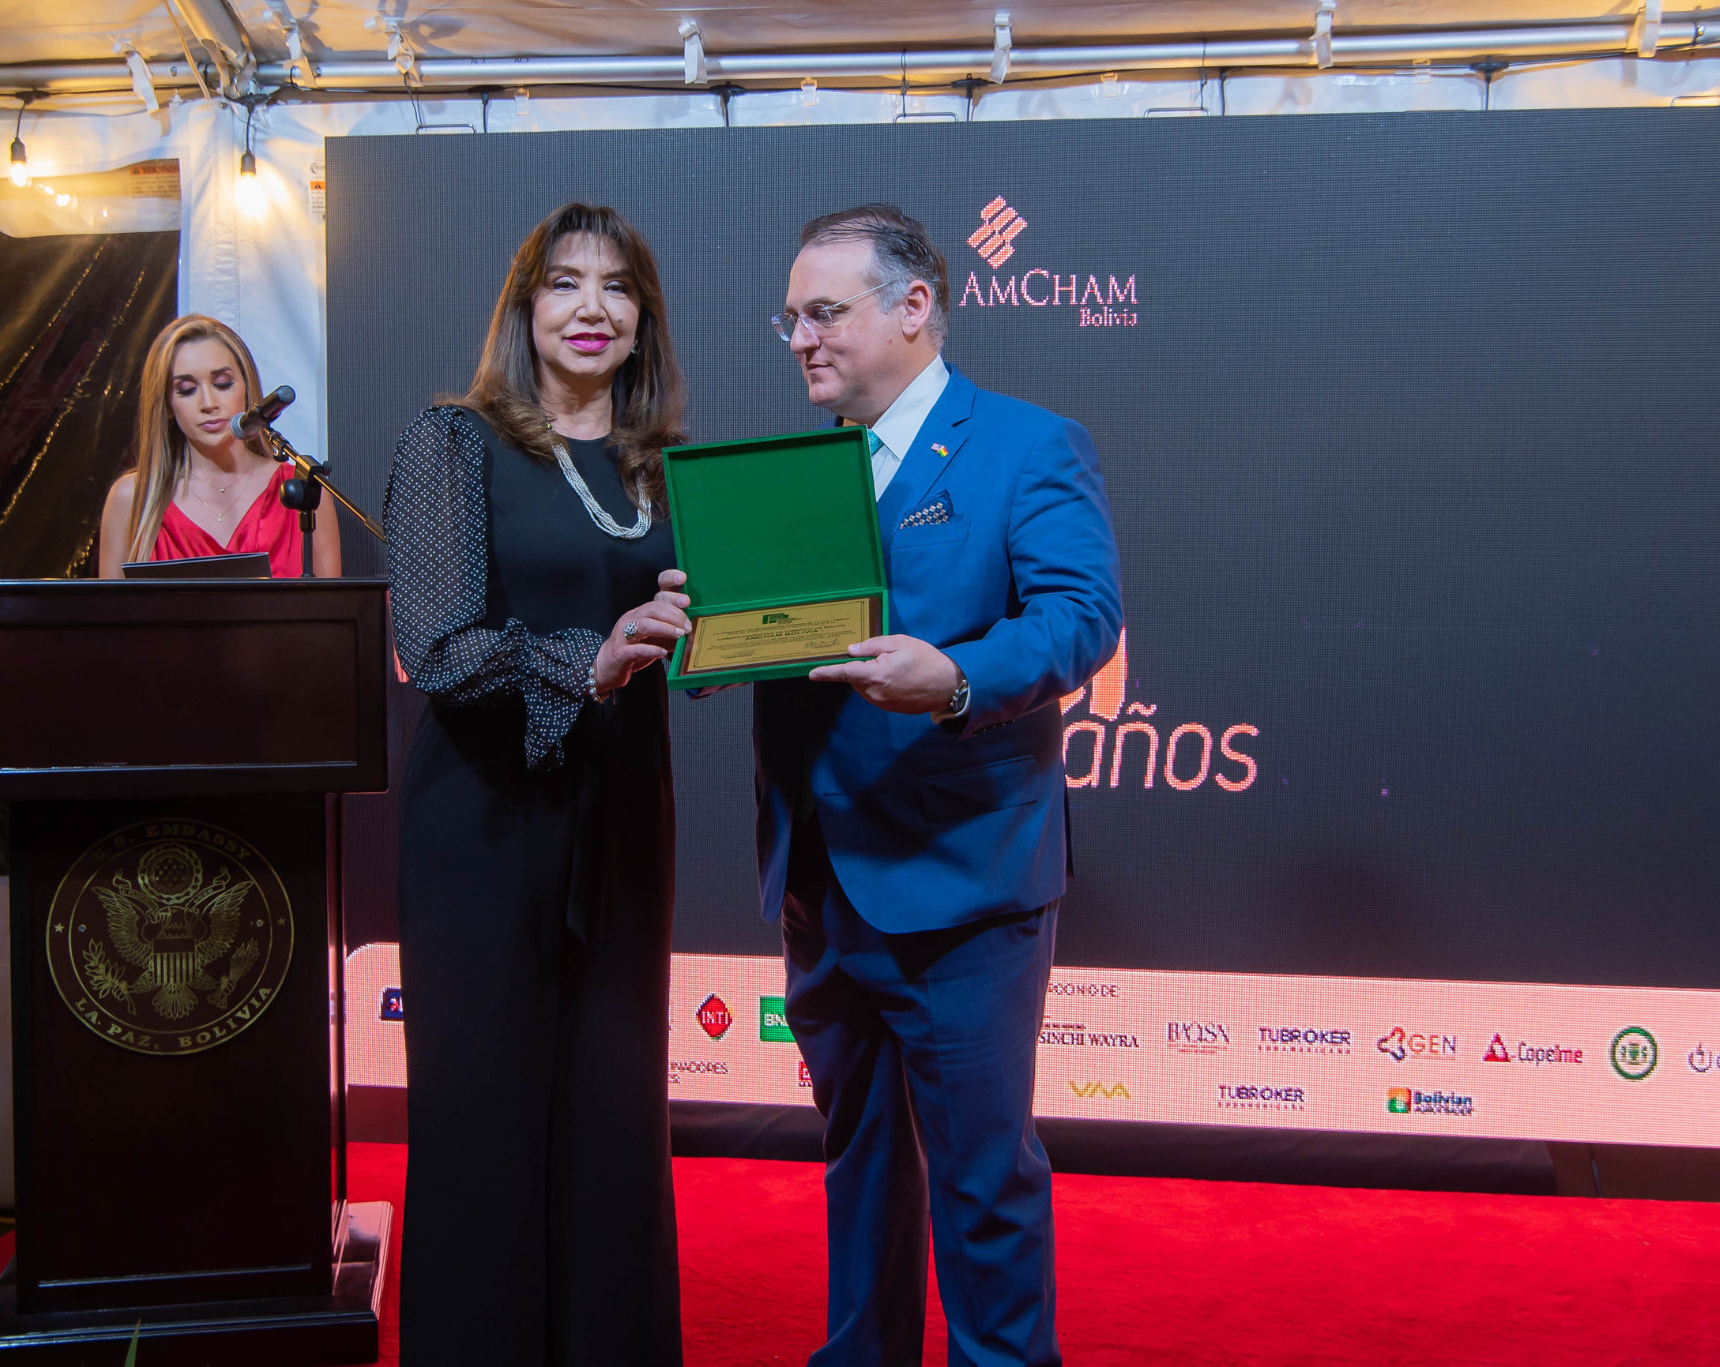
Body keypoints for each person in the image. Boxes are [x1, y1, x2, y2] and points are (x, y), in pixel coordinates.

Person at [744, 204, 1121, 1366]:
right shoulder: (792, 474)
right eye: (788, 318)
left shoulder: (1027, 444)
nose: (801, 338)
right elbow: (775, 638)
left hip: (962, 886)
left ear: (913, 306)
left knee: (979, 1177)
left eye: (823, 312)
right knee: (857, 1161)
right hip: (821, 882)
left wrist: (954, 677)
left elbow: (1078, 618)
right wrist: (702, 621)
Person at [382, 203, 691, 1366]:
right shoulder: (454, 441)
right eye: (564, 283)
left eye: (617, 286)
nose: (590, 308)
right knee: (482, 1109)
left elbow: (699, 635)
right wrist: (585, 661)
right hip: (483, 812)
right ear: (523, 308)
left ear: (642, 318)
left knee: (615, 1105)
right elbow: (436, 647)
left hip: (620, 810)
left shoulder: (664, 468)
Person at [97, 313, 341, 577]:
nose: (208, 403)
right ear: (167, 404)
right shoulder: (132, 498)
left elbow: (331, 602)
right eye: (187, 389)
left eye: (222, 384)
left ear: (247, 388)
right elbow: (110, 605)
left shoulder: (304, 493)